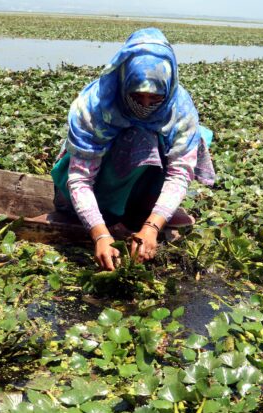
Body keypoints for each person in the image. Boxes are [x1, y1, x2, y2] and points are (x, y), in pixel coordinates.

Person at [51, 28, 215, 271]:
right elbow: (80, 178)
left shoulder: (179, 109)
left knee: (195, 137)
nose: (145, 107)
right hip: (99, 183)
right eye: (137, 97)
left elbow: (180, 173)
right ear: (123, 82)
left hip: (140, 181)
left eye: (155, 99)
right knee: (139, 138)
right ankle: (110, 212)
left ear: (167, 90)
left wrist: (152, 227)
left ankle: (143, 210)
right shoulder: (94, 107)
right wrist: (100, 235)